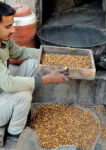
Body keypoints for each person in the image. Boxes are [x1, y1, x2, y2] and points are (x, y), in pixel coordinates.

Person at [0, 1, 68, 140]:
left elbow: (21, 53)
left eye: (12, 25)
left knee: (32, 63)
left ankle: (19, 110)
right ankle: (15, 133)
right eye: (8, 27)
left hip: (2, 92)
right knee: (23, 94)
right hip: (3, 92)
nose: (13, 30)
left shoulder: (4, 41)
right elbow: (9, 84)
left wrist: (52, 55)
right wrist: (47, 79)